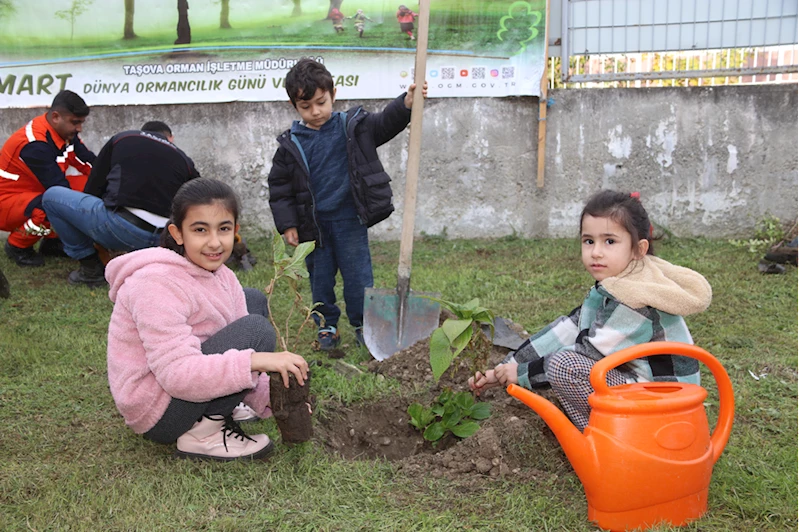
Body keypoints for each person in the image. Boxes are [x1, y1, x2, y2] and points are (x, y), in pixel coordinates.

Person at [469, 190, 712, 431]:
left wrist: (522, 374)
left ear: (638, 249)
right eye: (589, 241)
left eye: (609, 241)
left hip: (665, 411)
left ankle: (608, 438)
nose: (596, 252)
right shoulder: (617, 284)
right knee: (564, 357)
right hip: (647, 392)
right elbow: (567, 329)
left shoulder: (635, 299)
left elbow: (590, 353)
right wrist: (505, 367)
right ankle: (609, 428)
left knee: (565, 366)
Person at [105, 178, 309, 461]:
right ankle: (204, 433)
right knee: (255, 330)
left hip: (183, 390)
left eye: (223, 229)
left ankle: (226, 405)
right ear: (177, 233)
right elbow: (176, 375)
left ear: (235, 232)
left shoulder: (223, 276)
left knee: (252, 301)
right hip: (158, 409)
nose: (214, 242)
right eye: (200, 230)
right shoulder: (154, 283)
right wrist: (258, 360)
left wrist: (272, 400)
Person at [267, 58, 427, 351]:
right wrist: (288, 224)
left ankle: (363, 324)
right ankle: (326, 325)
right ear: (294, 106)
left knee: (358, 278)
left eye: (321, 102)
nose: (315, 112)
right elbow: (280, 188)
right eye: (306, 107)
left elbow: (384, 123)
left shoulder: (351, 127)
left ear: (333, 94)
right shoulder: (291, 145)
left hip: (350, 220)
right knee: (320, 280)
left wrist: (406, 103)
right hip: (313, 230)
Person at [42, 121, 200, 287]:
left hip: (121, 228)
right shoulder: (184, 159)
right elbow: (201, 200)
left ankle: (90, 268)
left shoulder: (123, 138)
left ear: (143, 132)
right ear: (170, 139)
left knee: (52, 197)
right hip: (166, 239)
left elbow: (95, 186)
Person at [0, 90, 95, 267]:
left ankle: (53, 242)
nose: (79, 128)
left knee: (89, 186)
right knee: (51, 206)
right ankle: (17, 246)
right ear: (56, 117)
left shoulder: (64, 133)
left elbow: (89, 162)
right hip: (7, 201)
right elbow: (58, 188)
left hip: (33, 191)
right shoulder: (34, 144)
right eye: (75, 123)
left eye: (81, 123)